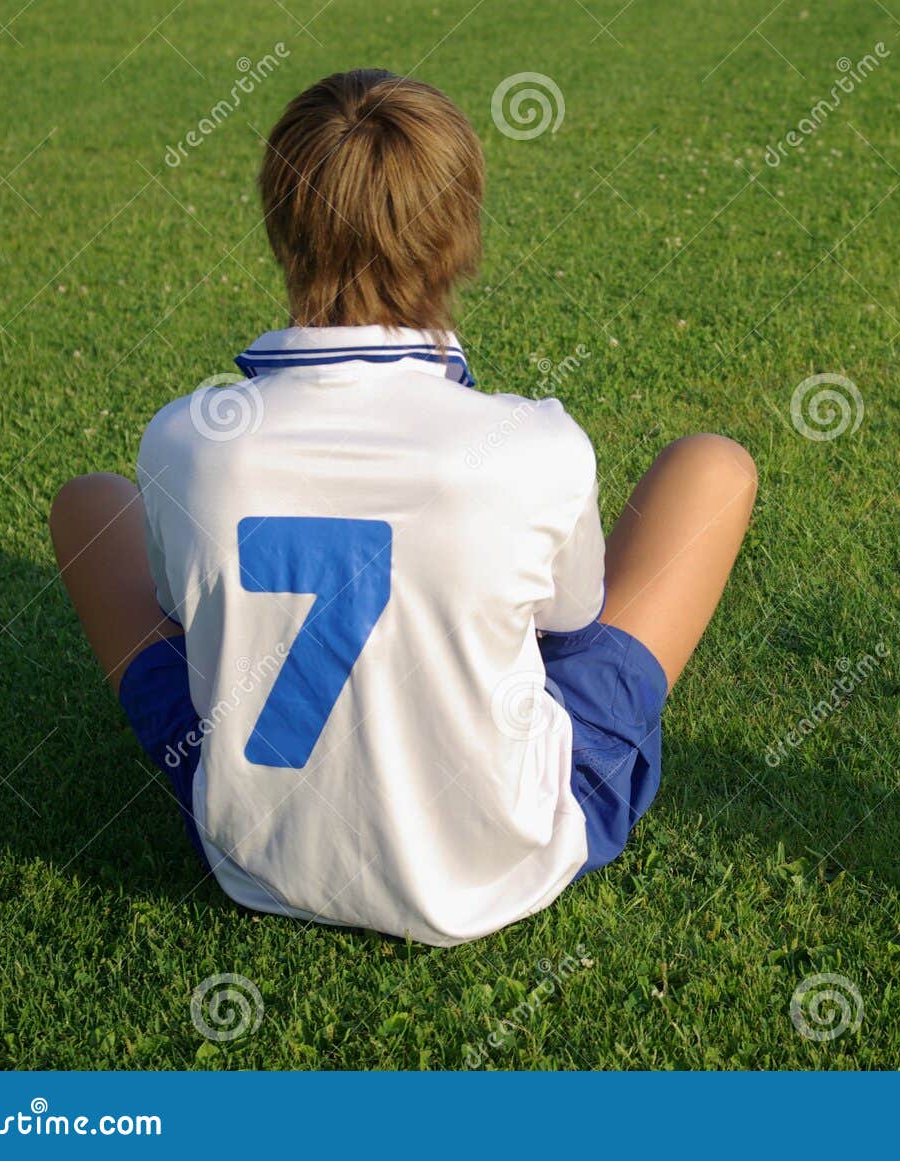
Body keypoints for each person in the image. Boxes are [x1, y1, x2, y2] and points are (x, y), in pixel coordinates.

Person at [47, 69, 755, 945]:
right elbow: (571, 626)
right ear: (461, 238)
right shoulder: (535, 443)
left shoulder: (185, 437)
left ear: (280, 229)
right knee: (714, 466)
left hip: (255, 855)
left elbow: (178, 612)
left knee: (87, 504)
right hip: (501, 861)